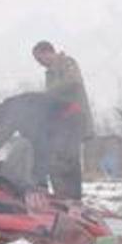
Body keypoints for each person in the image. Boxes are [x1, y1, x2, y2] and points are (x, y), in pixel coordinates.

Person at [32, 41, 93, 200]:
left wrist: (49, 94)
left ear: (48, 52)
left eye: (40, 59)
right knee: (56, 161)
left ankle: (74, 199)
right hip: (60, 124)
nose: (40, 64)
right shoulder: (49, 73)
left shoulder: (67, 63)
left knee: (70, 161)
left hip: (74, 119)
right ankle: (63, 198)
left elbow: (74, 82)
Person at [0, 92, 66, 190]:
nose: (0, 125)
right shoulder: (19, 107)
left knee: (39, 151)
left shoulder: (13, 109)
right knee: (45, 155)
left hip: (63, 118)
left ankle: (42, 187)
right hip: (58, 121)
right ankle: (45, 187)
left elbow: (6, 130)